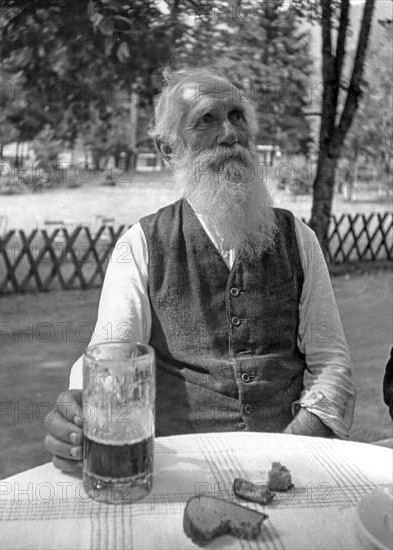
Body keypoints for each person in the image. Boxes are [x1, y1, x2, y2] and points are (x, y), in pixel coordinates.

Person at [44, 67, 356, 473]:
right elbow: (112, 359)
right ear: (169, 150)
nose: (229, 134)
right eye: (207, 119)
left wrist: (289, 452)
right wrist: (82, 416)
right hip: (183, 470)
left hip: (294, 463)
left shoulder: (298, 237)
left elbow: (332, 365)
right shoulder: (140, 245)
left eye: (237, 116)